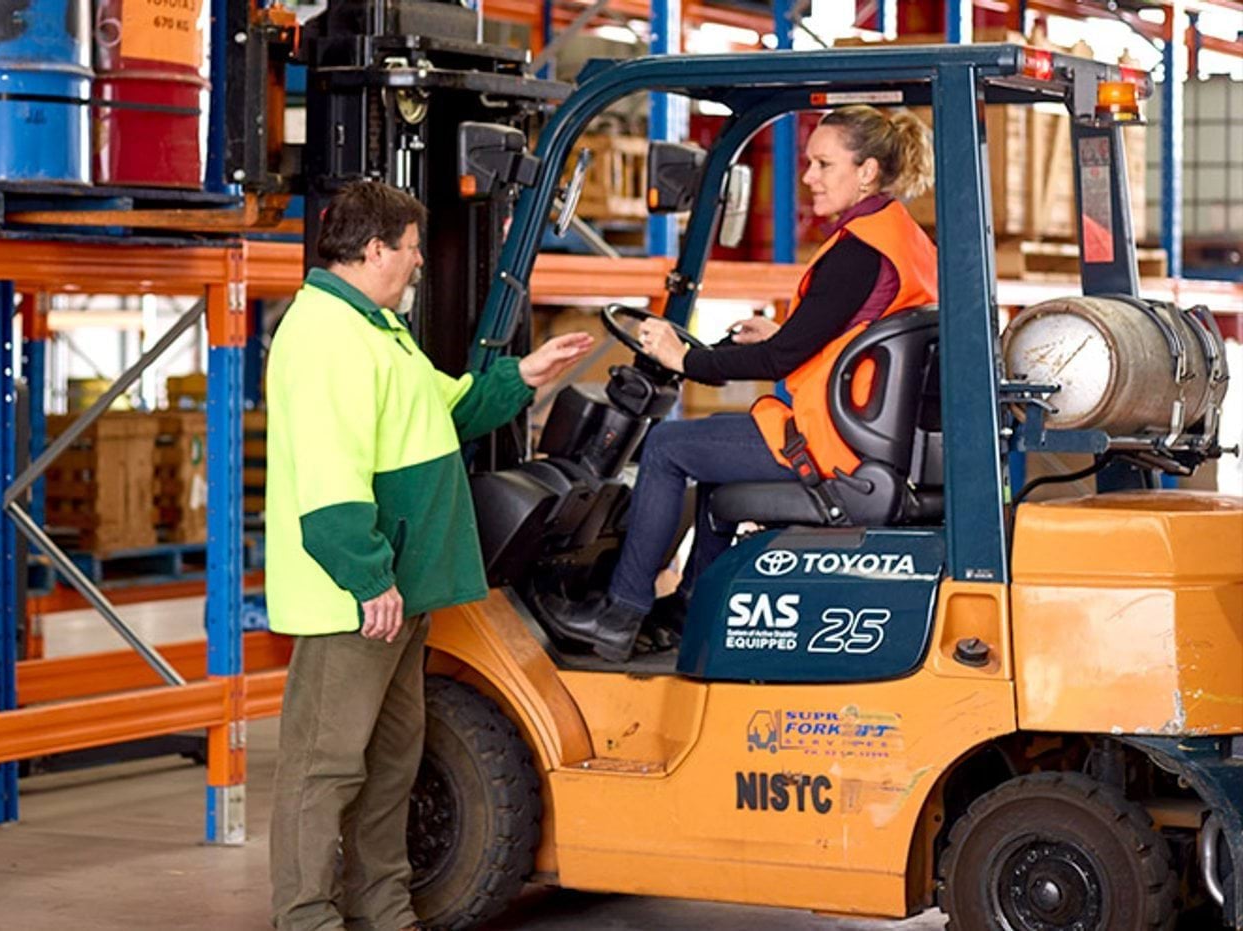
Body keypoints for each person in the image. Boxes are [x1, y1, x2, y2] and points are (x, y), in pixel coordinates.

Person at [266, 179, 593, 931]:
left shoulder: (378, 326)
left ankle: (385, 910)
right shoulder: (322, 333)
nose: (417, 263)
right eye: (410, 250)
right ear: (374, 248)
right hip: (353, 598)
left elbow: (444, 409)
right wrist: (365, 575)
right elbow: (326, 471)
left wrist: (525, 376)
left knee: (389, 765)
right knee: (326, 768)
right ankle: (307, 918)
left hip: (400, 589)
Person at [542, 105, 940, 662]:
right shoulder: (904, 239)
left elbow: (781, 360)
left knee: (666, 447)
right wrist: (787, 332)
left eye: (824, 165)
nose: (809, 177)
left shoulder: (856, 252)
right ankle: (687, 611)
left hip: (832, 446)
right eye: (808, 164)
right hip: (865, 436)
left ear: (867, 171)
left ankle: (619, 613)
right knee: (711, 453)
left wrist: (684, 358)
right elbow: (854, 330)